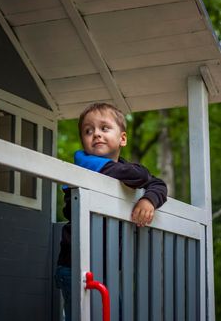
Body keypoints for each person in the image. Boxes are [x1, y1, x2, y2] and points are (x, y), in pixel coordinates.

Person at [55, 102, 168, 320]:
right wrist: (144, 181)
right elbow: (138, 176)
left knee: (111, 313)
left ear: (122, 138)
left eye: (104, 128)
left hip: (105, 266)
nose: (96, 134)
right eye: (89, 131)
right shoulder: (85, 161)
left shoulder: (122, 169)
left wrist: (149, 201)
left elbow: (159, 184)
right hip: (76, 264)